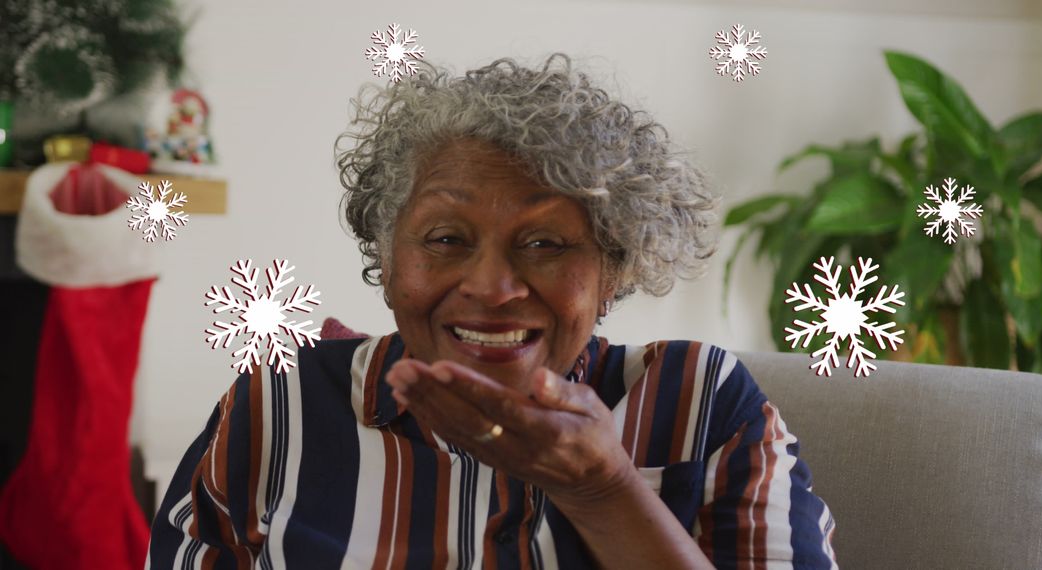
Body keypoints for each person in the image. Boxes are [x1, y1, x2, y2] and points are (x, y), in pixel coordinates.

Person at [147, 54, 838, 569]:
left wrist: (603, 488)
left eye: (545, 243)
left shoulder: (700, 403)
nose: (493, 285)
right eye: (446, 238)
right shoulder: (282, 403)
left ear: (612, 272)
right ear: (388, 264)